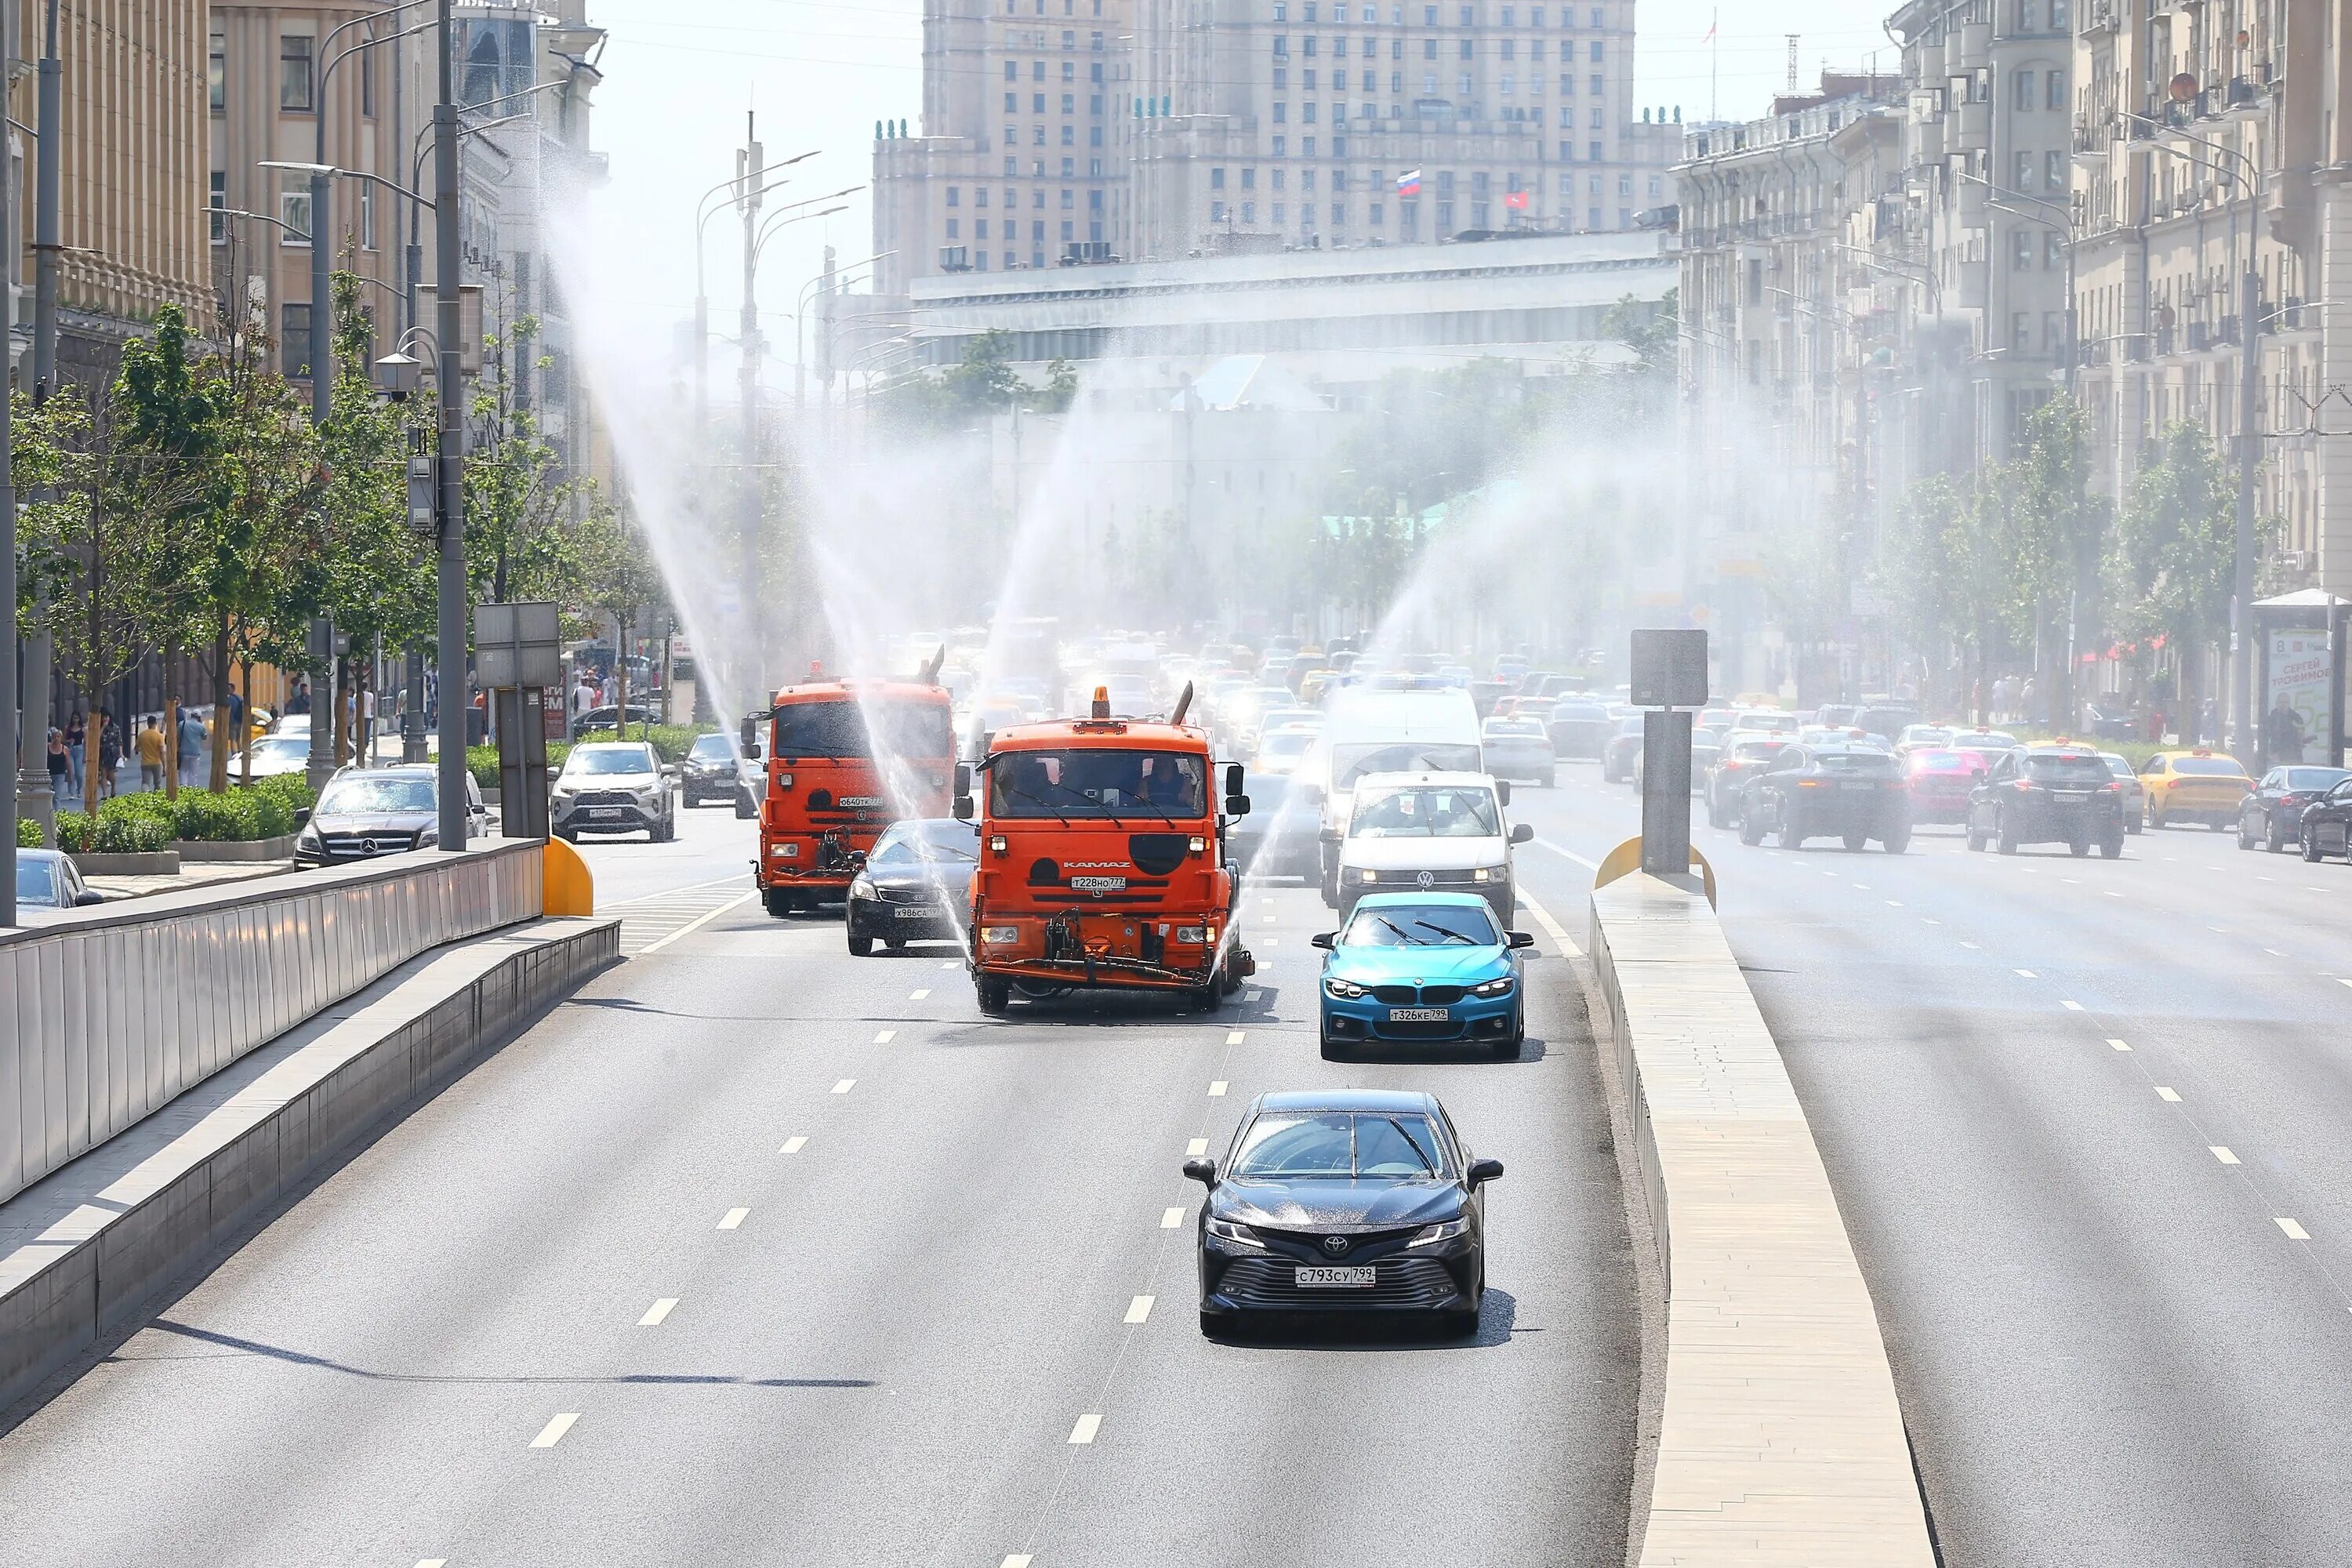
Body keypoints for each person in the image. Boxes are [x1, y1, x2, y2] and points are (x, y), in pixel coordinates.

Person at [2263, 694, 2306, 765]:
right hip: (2276, 756)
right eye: (2280, 702)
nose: (2283, 705)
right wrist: (2269, 753)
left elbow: (2301, 735)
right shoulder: (2271, 719)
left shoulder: (2296, 718)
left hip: (2294, 756)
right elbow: (2265, 737)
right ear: (2276, 703)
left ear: (2289, 704)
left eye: (2285, 702)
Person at [134, 716, 165, 793]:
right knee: (157, 783)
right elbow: (161, 752)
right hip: (156, 763)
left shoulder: (142, 735)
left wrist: (142, 749)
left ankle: (145, 797)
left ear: (148, 723)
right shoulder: (159, 736)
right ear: (156, 723)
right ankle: (157, 799)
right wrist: (164, 766)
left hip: (145, 763)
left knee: (145, 783)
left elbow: (136, 748)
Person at [178, 706, 206, 787]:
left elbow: (178, 735)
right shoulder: (201, 726)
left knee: (183, 769)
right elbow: (204, 737)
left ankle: (183, 785)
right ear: (199, 717)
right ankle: (192, 786)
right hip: (196, 752)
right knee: (194, 771)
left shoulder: (182, 724)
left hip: (184, 751)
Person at [45, 728, 68, 808]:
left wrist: (70, 775)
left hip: (60, 774)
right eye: (55, 737)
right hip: (48, 774)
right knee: (48, 795)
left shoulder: (64, 749)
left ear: (61, 738)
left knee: (56, 796)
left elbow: (68, 763)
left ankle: (56, 814)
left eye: (58, 737)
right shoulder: (47, 747)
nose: (56, 738)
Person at [64, 708, 84, 794]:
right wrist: (68, 741)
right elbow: (63, 739)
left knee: (79, 773)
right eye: (74, 718)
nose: (75, 720)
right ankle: (71, 791)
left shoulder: (83, 729)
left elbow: (86, 742)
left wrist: (86, 755)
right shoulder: (68, 728)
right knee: (71, 772)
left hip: (79, 750)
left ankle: (79, 788)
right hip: (70, 750)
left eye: (77, 718)